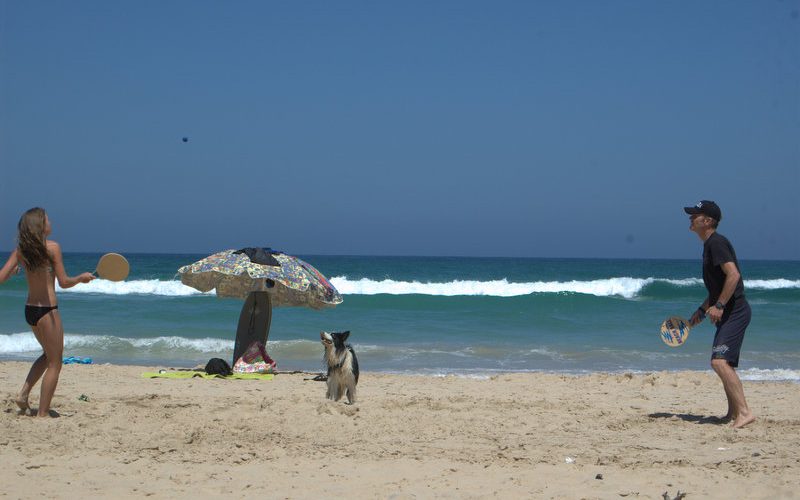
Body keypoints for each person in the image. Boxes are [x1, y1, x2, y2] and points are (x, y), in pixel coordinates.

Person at [0, 207, 94, 417]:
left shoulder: (21, 251)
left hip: (30, 311)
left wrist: (18, 269)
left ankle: (24, 393)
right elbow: (64, 282)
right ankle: (42, 414)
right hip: (48, 312)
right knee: (55, 362)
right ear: (40, 225)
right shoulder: (52, 248)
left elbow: (1, 277)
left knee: (47, 355)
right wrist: (82, 278)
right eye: (47, 219)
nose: (51, 221)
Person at [685, 200, 755, 429]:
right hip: (729, 312)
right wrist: (703, 310)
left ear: (707, 221)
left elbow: (733, 275)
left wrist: (721, 305)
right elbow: (717, 288)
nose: (690, 218)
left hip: (735, 311)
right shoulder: (709, 245)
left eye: (695, 215)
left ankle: (744, 412)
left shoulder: (717, 243)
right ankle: (733, 412)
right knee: (722, 363)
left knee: (719, 362)